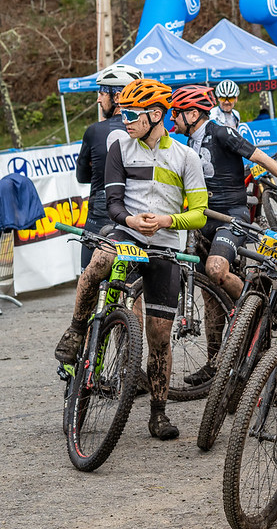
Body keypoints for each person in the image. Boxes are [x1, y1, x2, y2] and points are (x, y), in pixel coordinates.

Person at [54, 79, 209, 440]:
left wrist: (169, 220)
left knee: (159, 335)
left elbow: (200, 214)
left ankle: (158, 414)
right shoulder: (119, 147)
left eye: (133, 114)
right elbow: (112, 203)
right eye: (122, 112)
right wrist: (130, 221)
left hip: (165, 244)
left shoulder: (185, 156)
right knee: (99, 262)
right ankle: (78, 330)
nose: (125, 120)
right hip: (127, 232)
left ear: (156, 115)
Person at [170, 85, 277, 384]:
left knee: (216, 269)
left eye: (177, 112)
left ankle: (262, 308)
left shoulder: (222, 132)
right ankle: (216, 363)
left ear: (193, 113)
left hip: (231, 217)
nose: (173, 118)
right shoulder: (186, 143)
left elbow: (262, 159)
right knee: (211, 297)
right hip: (203, 221)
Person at [75, 63, 143, 269]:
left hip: (100, 217)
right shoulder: (147, 130)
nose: (98, 99)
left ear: (118, 96)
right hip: (134, 217)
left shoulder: (94, 131)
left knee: (89, 284)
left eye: (102, 92)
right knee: (132, 287)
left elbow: (82, 175)